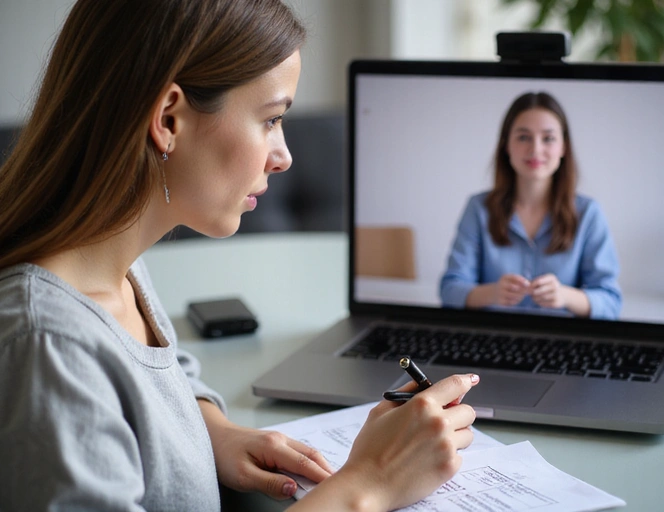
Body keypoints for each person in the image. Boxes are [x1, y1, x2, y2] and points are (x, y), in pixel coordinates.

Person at [0, 1, 480, 511]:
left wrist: (216, 433)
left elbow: (159, 377)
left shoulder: (112, 262)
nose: (285, 155)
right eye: (271, 119)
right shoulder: (47, 346)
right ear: (168, 120)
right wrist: (368, 485)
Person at [439, 92, 622, 319]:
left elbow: (611, 303)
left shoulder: (588, 213)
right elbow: (449, 291)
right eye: (523, 137)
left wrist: (565, 296)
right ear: (506, 145)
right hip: (493, 336)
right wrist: (492, 293)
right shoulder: (479, 208)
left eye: (548, 138)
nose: (535, 150)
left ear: (563, 147)